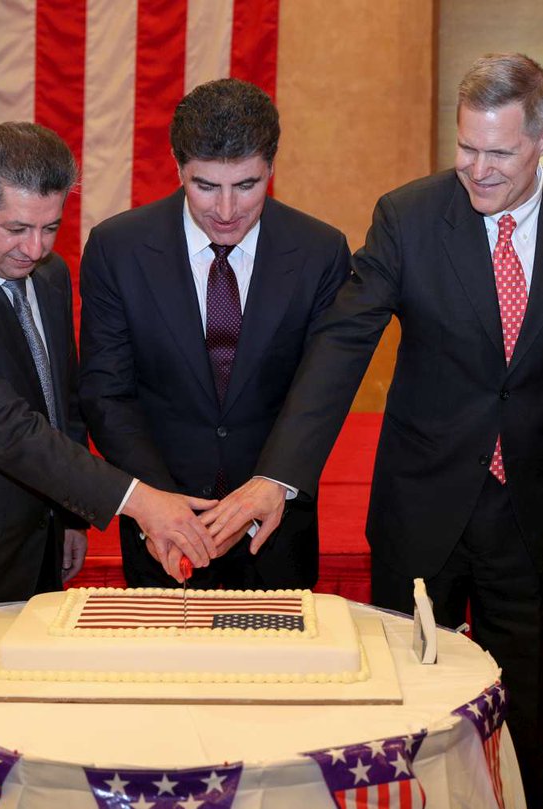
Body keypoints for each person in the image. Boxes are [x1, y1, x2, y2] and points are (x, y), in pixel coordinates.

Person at [204, 53, 543, 808]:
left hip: (532, 505)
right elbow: (342, 346)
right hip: (422, 505)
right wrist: (279, 475)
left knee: (519, 701)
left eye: (498, 151)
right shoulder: (408, 215)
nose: (477, 168)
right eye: (465, 147)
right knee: (407, 706)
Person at [0, 122, 217, 645]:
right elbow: (12, 432)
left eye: (50, 228)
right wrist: (141, 500)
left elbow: (62, 402)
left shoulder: (47, 276)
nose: (35, 248)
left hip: (37, 552)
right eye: (16, 229)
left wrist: (71, 517)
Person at [79, 79, 350, 590]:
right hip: (160, 530)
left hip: (274, 528)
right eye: (205, 186)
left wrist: (277, 481)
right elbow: (106, 391)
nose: (226, 211)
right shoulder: (118, 248)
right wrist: (157, 505)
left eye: (246, 185)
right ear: (179, 168)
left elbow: (321, 391)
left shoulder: (321, 251)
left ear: (271, 168)